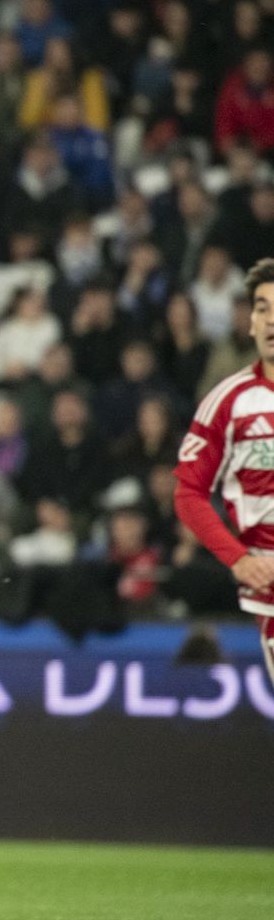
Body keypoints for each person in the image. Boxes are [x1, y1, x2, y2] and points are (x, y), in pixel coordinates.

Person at [175, 257, 274, 686]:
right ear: (249, 322)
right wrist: (236, 559)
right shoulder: (228, 402)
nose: (271, 319)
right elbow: (188, 493)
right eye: (262, 307)